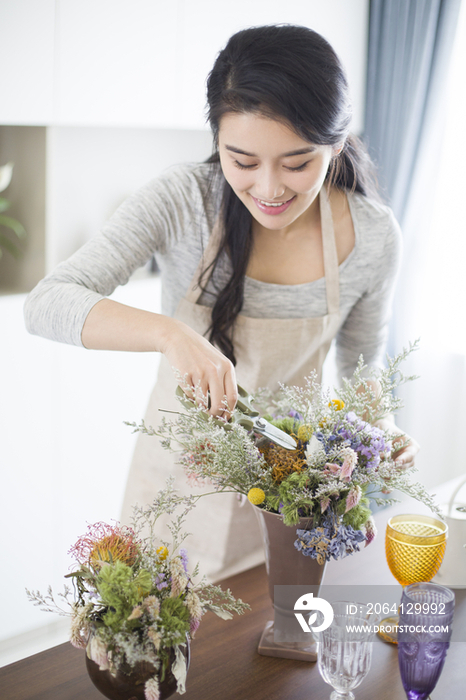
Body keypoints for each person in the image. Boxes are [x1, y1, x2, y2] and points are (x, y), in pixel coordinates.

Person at [24, 25, 419, 580]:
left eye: (297, 163)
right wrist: (171, 334)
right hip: (172, 491)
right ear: (217, 141)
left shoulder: (373, 236)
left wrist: (384, 427)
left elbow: (361, 365)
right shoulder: (183, 200)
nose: (269, 188)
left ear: (334, 144)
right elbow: (46, 302)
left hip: (287, 503)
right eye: (243, 161)